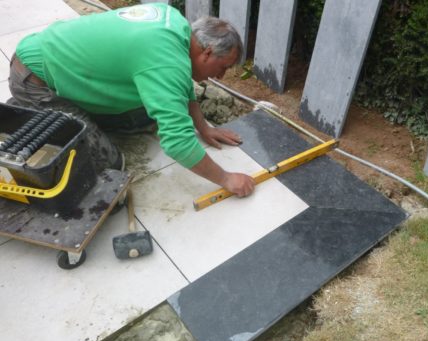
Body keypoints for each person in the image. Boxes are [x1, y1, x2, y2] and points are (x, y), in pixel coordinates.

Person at [7, 3, 255, 197]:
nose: (219, 77)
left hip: (54, 56)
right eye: (222, 67)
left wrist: (204, 127)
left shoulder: (175, 23)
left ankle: (62, 107)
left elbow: (180, 86)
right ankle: (25, 111)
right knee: (110, 163)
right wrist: (226, 179)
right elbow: (177, 142)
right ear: (207, 52)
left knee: (145, 115)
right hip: (35, 80)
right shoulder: (166, 62)